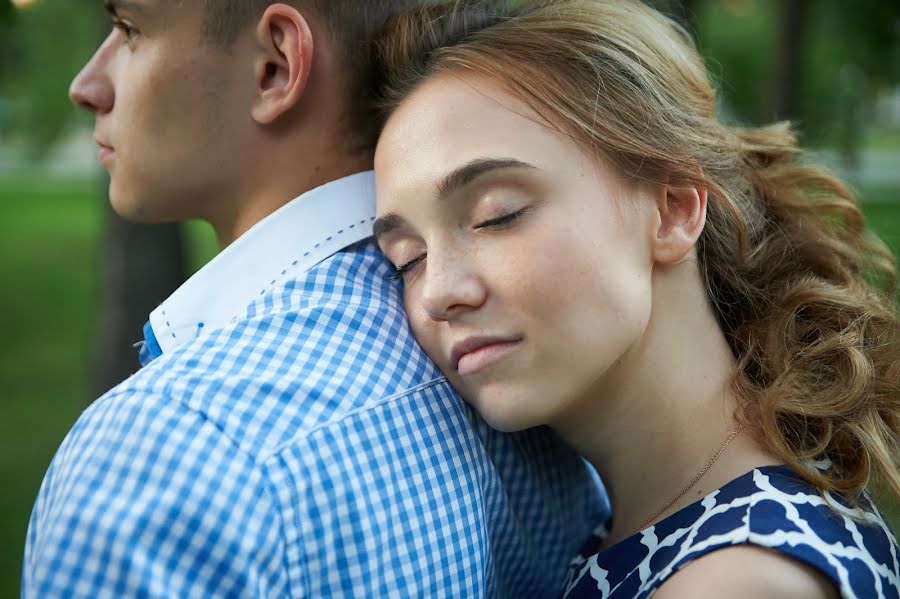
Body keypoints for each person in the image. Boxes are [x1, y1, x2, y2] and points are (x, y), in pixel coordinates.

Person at [22, 1, 608, 596]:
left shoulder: (159, 455)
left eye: (129, 30)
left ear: (275, 66)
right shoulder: (550, 359)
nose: (86, 86)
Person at [371, 1, 900, 597]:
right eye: (407, 260)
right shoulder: (677, 519)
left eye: (498, 216)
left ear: (674, 208)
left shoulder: (739, 582)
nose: (437, 292)